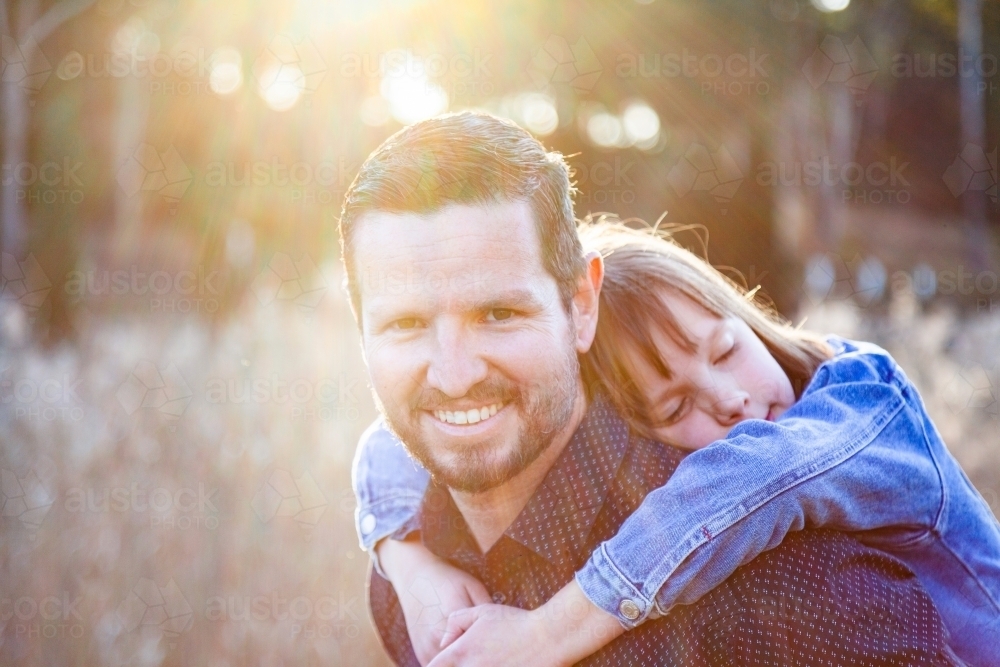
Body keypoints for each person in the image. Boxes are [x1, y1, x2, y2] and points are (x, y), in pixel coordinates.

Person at [342, 110, 963, 666]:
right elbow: (382, 446)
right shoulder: (413, 580)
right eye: (405, 324)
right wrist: (402, 553)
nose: (454, 375)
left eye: (500, 313)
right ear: (360, 329)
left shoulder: (790, 591)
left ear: (580, 306)